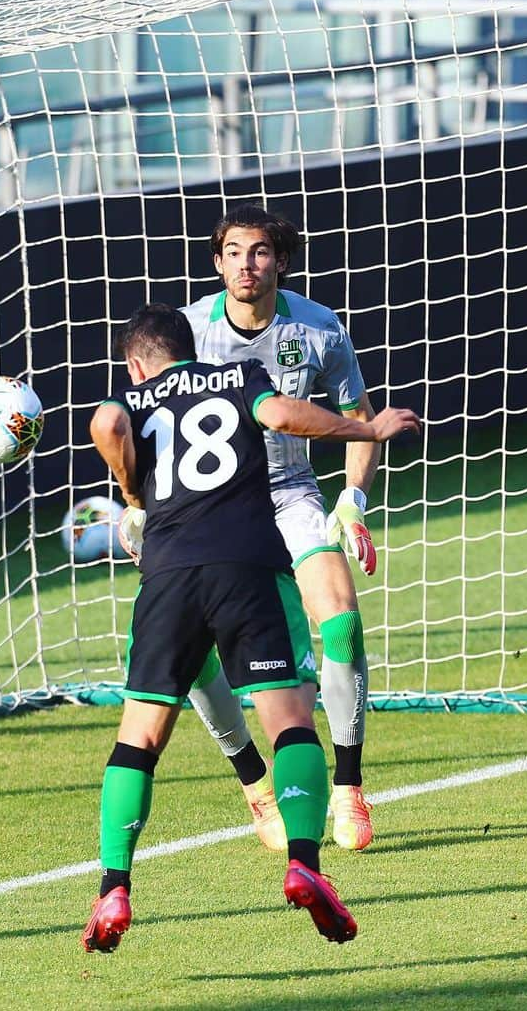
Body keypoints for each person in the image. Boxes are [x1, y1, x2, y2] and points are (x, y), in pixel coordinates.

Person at [83, 303, 419, 953]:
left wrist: (130, 491)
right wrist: (365, 428)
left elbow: (107, 423)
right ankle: (304, 863)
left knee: (140, 737)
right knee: (292, 720)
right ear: (194, 349)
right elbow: (287, 415)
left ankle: (114, 884)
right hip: (249, 565)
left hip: (170, 575)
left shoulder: (136, 397)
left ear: (135, 363)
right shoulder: (236, 380)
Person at [169, 204, 385, 853]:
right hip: (210, 511)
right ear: (217, 262)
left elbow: (361, 416)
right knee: (187, 651)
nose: (246, 264)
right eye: (233, 252)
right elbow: (148, 416)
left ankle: (348, 787)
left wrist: (351, 501)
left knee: (342, 620)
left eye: (259, 252)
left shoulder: (320, 329)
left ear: (280, 262)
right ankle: (254, 784)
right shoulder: (186, 331)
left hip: (291, 497)